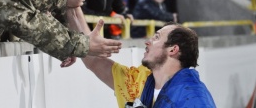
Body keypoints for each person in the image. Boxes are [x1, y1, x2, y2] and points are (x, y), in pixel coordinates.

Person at [82, 22, 216, 108]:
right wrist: (72, 10)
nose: (148, 42)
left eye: (156, 37)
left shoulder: (194, 97)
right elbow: (94, 62)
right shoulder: (143, 83)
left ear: (172, 50)